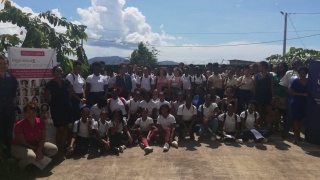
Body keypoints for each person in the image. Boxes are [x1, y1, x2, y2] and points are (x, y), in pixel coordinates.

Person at [11, 102, 58, 170]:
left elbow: (42, 138)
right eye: (28, 112)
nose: (30, 114)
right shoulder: (19, 125)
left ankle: (34, 163)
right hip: (19, 146)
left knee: (53, 149)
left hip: (35, 144)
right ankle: (19, 167)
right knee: (31, 156)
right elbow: (22, 143)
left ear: (37, 113)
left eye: (33, 112)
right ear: (25, 113)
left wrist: (39, 149)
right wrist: (36, 150)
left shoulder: (41, 121)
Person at [45, 65, 73, 153]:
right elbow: (46, 97)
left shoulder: (66, 82)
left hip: (66, 107)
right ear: (53, 73)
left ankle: (63, 144)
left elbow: (70, 93)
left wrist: (66, 101)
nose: (60, 73)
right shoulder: (50, 84)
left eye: (61, 71)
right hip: (56, 108)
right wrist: (52, 105)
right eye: (57, 71)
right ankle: (58, 146)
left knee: (66, 128)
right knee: (60, 128)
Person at [279, 59, 303, 139]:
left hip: (303, 97)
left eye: (298, 63)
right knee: (289, 114)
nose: (297, 65)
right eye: (295, 64)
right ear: (292, 65)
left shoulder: (306, 73)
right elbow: (284, 83)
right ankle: (285, 132)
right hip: (291, 96)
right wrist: (288, 91)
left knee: (300, 116)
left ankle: (298, 135)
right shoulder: (289, 73)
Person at [0, 55, 19, 157]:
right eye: (0, 63)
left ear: (7, 65)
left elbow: (14, 94)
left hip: (9, 111)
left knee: (8, 135)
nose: (2, 66)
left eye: (4, 63)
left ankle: (8, 157)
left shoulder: (12, 79)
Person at [289, 66, 308, 144]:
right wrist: (301, 94)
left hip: (305, 104)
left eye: (303, 73)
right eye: (300, 73)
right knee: (296, 121)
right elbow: (290, 91)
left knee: (301, 122)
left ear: (306, 73)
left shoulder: (309, 81)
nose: (302, 74)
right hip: (296, 103)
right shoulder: (295, 81)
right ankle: (295, 137)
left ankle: (299, 136)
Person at [253, 61, 274, 126]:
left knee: (268, 110)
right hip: (259, 95)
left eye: (259, 66)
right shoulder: (256, 76)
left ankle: (269, 125)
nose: (258, 67)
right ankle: (261, 124)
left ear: (264, 67)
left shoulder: (270, 75)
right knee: (260, 110)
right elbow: (255, 87)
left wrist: (273, 97)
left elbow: (272, 87)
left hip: (268, 95)